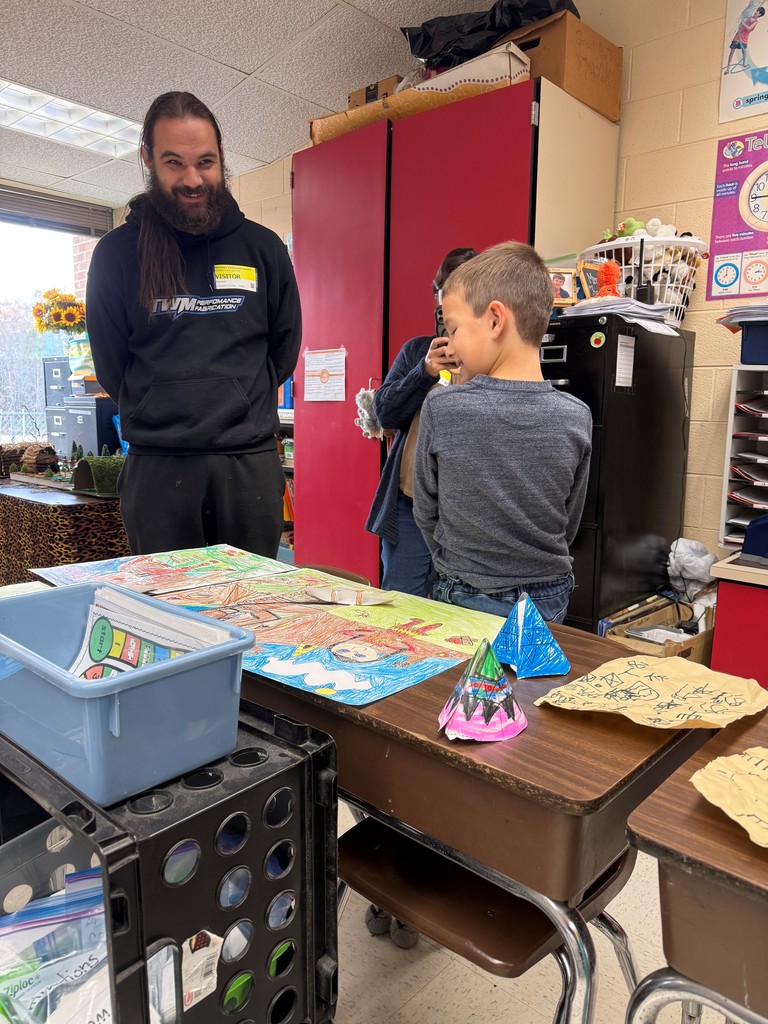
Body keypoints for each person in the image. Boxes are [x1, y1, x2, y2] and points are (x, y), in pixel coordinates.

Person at [86, 91, 301, 557]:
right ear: (147, 159)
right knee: (169, 620)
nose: (192, 179)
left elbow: (283, 351)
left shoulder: (263, 249)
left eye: (205, 162)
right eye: (173, 163)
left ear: (222, 156)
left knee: (254, 610)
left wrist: (238, 399)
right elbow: (111, 364)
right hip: (158, 468)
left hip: (247, 463)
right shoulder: (116, 254)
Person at [413, 241, 592, 624]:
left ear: (495, 320)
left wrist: (458, 565)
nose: (451, 341)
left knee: (463, 685)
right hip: (549, 597)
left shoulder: (444, 407)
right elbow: (569, 522)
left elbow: (426, 512)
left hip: (464, 590)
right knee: (536, 684)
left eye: (454, 328)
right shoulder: (577, 416)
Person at [365, 247, 477, 596]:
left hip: (467, 513)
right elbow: (383, 412)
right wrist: (425, 370)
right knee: (401, 603)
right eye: (444, 295)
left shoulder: (494, 356)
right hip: (409, 505)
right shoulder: (417, 351)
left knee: (460, 611)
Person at [726, 6, 765, 72]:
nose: (756, 12)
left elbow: (749, 28)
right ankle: (728, 68)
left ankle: (744, 64)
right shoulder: (749, 17)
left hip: (744, 38)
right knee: (732, 52)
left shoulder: (755, 22)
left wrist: (743, 23)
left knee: (744, 52)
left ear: (760, 15)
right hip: (738, 36)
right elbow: (741, 22)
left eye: (759, 12)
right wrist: (743, 21)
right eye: (757, 11)